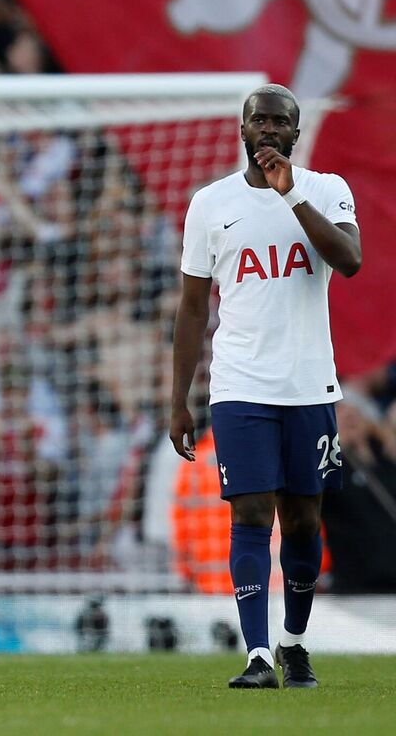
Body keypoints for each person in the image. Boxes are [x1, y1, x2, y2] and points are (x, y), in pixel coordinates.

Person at [170, 84, 364, 690]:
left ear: (295, 134)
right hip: (240, 385)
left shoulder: (327, 189)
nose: (269, 130)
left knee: (303, 522)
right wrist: (178, 397)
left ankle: (294, 644)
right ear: (243, 130)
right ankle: (257, 654)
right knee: (250, 513)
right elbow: (192, 306)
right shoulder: (210, 203)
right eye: (259, 121)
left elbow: (350, 259)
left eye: (281, 122)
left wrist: (292, 194)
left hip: (309, 385)